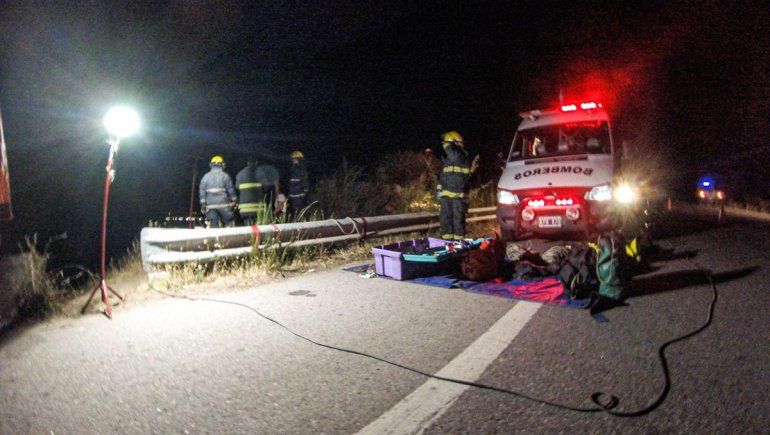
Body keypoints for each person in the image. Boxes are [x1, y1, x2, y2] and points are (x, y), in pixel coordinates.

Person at [436, 131, 471, 240]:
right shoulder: (447, 160)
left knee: (458, 220)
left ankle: (459, 243)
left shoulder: (461, 156)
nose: (445, 146)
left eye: (446, 144)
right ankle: (447, 242)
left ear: (452, 144)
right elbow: (442, 176)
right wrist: (439, 190)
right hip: (446, 195)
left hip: (458, 196)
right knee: (445, 219)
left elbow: (454, 155)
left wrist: (447, 145)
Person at [199, 155, 237, 228]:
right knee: (229, 223)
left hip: (210, 206)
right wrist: (235, 200)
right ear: (222, 165)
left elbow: (202, 192)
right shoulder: (225, 176)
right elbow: (231, 190)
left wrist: (203, 204)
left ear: (211, 165)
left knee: (213, 224)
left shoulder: (205, 177)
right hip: (224, 205)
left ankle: (215, 235)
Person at [235, 158, 265, 226]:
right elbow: (266, 188)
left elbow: (237, 187)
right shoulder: (261, 174)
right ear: (256, 162)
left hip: (245, 209)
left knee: (248, 229)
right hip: (258, 208)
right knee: (259, 229)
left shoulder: (240, 174)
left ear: (247, 163)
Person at [287, 150, 310, 218]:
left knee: (299, 211)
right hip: (294, 193)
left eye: (295, 158)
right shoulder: (293, 168)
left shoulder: (301, 168)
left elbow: (304, 180)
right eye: (292, 158)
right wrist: (290, 193)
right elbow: (292, 181)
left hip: (299, 193)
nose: (293, 160)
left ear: (299, 159)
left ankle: (302, 221)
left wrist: (304, 191)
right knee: (295, 211)